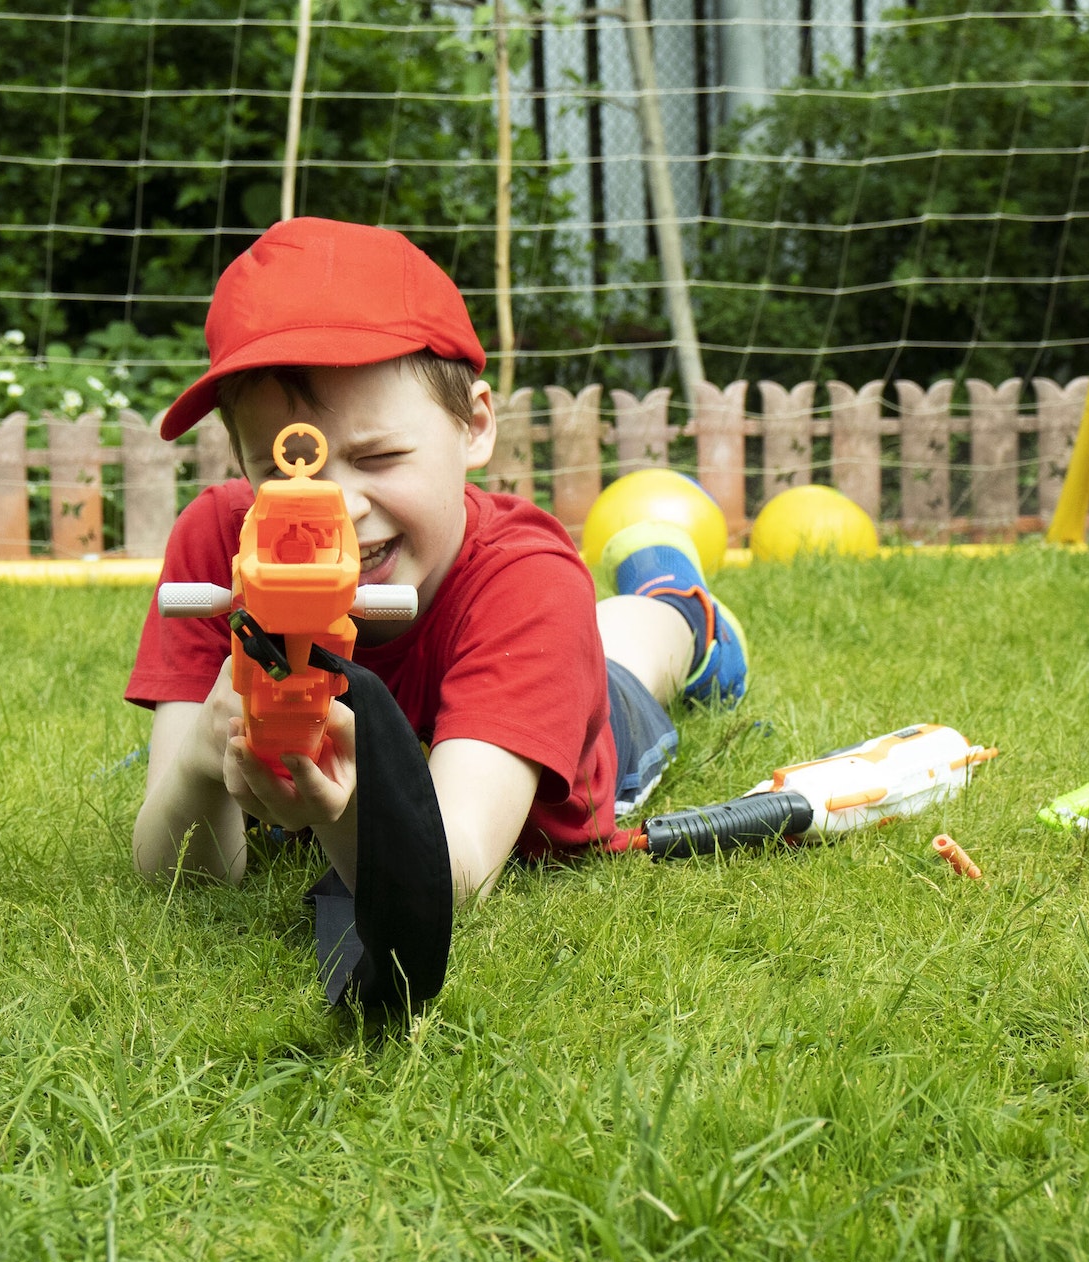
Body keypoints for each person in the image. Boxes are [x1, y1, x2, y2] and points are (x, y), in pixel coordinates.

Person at [127, 218, 748, 904]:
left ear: (475, 425)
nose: (337, 507)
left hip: (573, 712)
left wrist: (342, 808)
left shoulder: (526, 583)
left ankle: (681, 599)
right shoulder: (221, 541)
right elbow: (173, 874)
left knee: (631, 651)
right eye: (286, 470)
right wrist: (200, 760)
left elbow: (455, 871)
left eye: (378, 457)